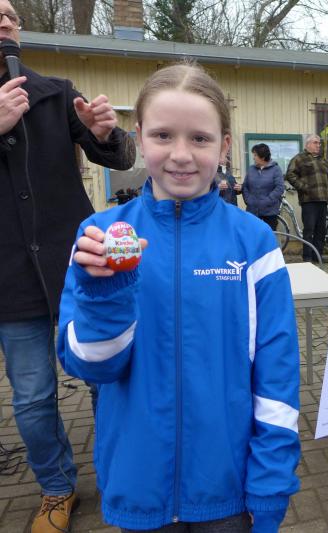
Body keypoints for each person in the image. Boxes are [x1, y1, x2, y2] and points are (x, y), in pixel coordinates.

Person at [56, 63, 301, 532]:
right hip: (138, 483)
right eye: (163, 135)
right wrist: (105, 297)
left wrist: (271, 481)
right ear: (139, 137)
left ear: (224, 146)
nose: (181, 155)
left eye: (200, 138)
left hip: (228, 489)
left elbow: (278, 372)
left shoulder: (254, 241)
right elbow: (91, 367)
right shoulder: (98, 235)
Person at [0, 2, 136, 531]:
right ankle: (57, 488)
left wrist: (105, 133)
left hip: (77, 270)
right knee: (33, 399)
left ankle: (121, 471)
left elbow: (120, 159)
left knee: (105, 380)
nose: (6, 22)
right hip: (10, 282)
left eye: (11, 15)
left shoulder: (54, 93)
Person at [285, 134, 328, 262]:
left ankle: (317, 256)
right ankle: (307, 257)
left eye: (319, 143)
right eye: (315, 143)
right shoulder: (299, 159)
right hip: (309, 201)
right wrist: (304, 187)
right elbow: (290, 175)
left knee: (321, 231)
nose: (318, 145)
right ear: (308, 144)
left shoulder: (323, 160)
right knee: (309, 230)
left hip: (323, 200)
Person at [243, 143, 284, 229]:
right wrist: (248, 200)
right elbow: (245, 186)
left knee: (269, 234)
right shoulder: (251, 169)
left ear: (263, 157)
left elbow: (279, 188)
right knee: (253, 234)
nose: (253, 158)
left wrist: (267, 201)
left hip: (270, 212)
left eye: (255, 155)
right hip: (252, 211)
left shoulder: (276, 169)